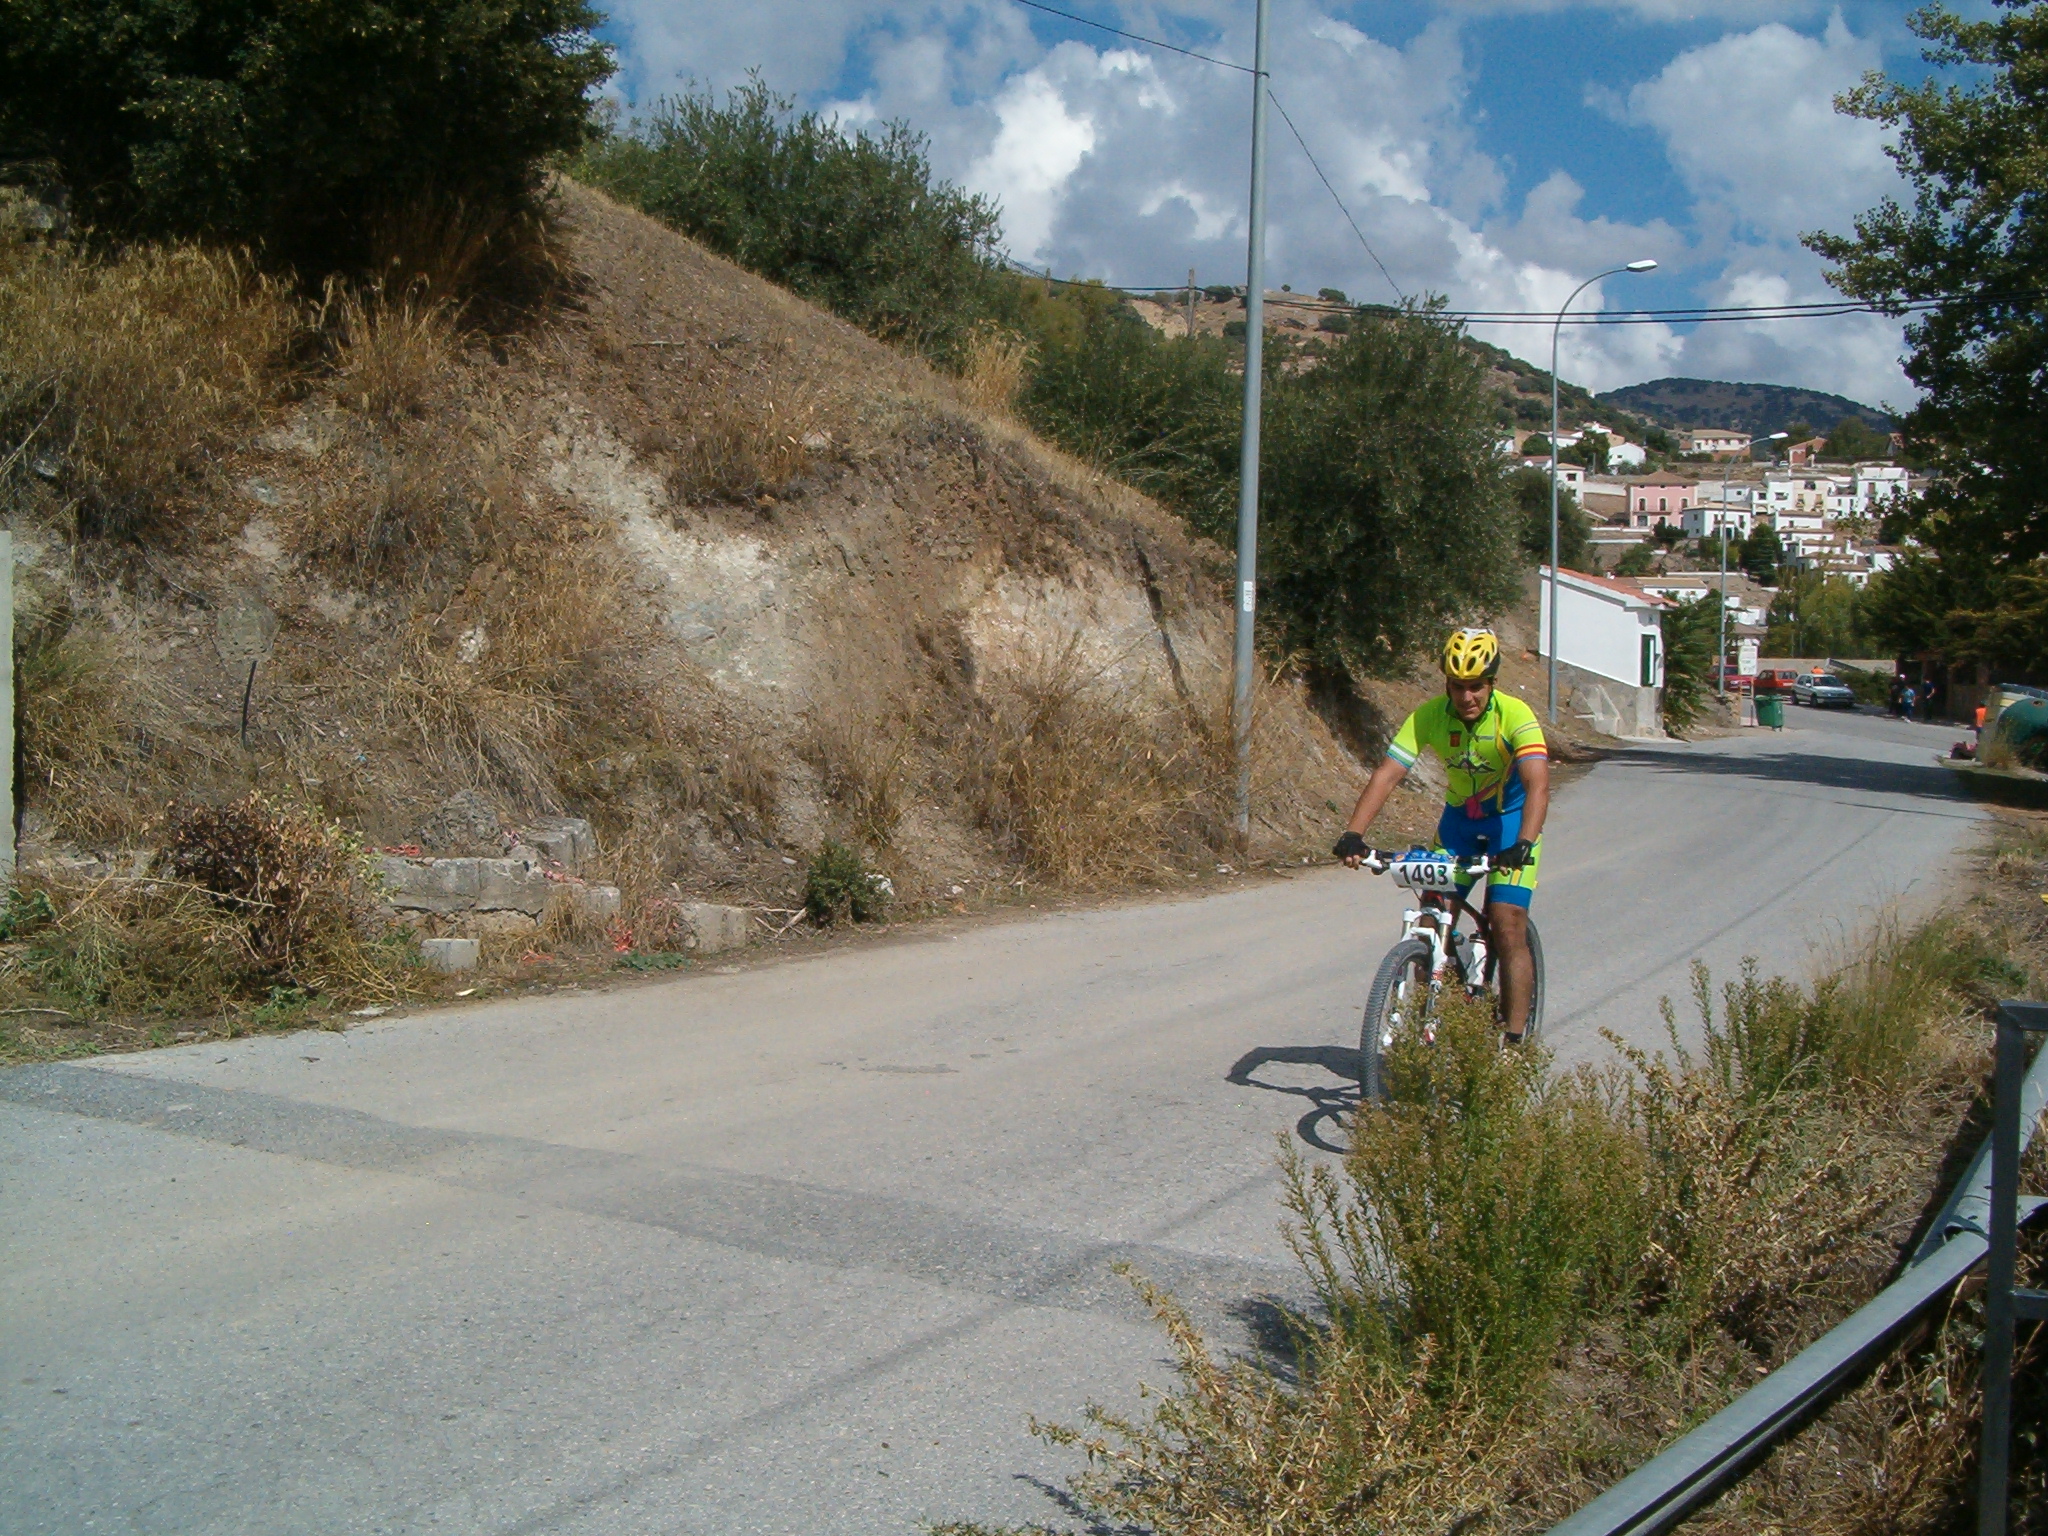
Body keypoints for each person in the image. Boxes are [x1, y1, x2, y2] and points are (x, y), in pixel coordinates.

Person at [1332, 628, 1548, 1043]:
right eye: (1457, 686)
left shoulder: (1515, 714)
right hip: (1459, 824)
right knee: (1431, 920)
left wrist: (1523, 842)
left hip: (1511, 824)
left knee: (1506, 921)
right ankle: (1447, 1016)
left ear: (1492, 683)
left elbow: (1537, 784)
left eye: (1476, 686)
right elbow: (1388, 775)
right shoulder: (1429, 716)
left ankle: (1513, 1043)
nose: (1466, 697)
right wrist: (1354, 834)